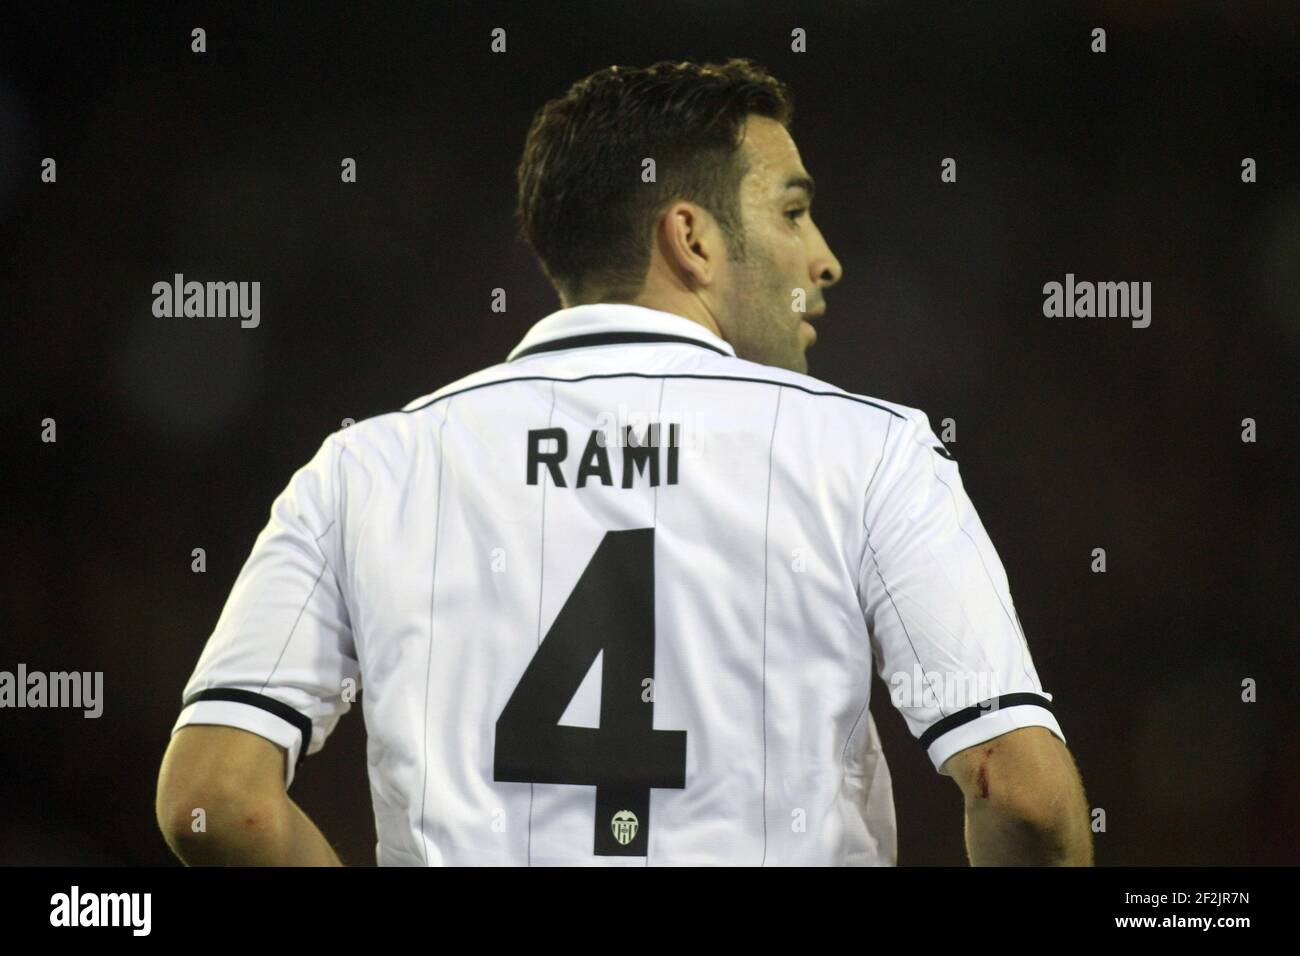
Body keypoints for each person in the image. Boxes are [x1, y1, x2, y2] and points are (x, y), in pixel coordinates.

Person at [156, 58, 1092, 866]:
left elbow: (215, 805)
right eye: (795, 212)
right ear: (692, 238)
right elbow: (1021, 793)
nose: (826, 258)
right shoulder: (872, 450)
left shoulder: (365, 469)